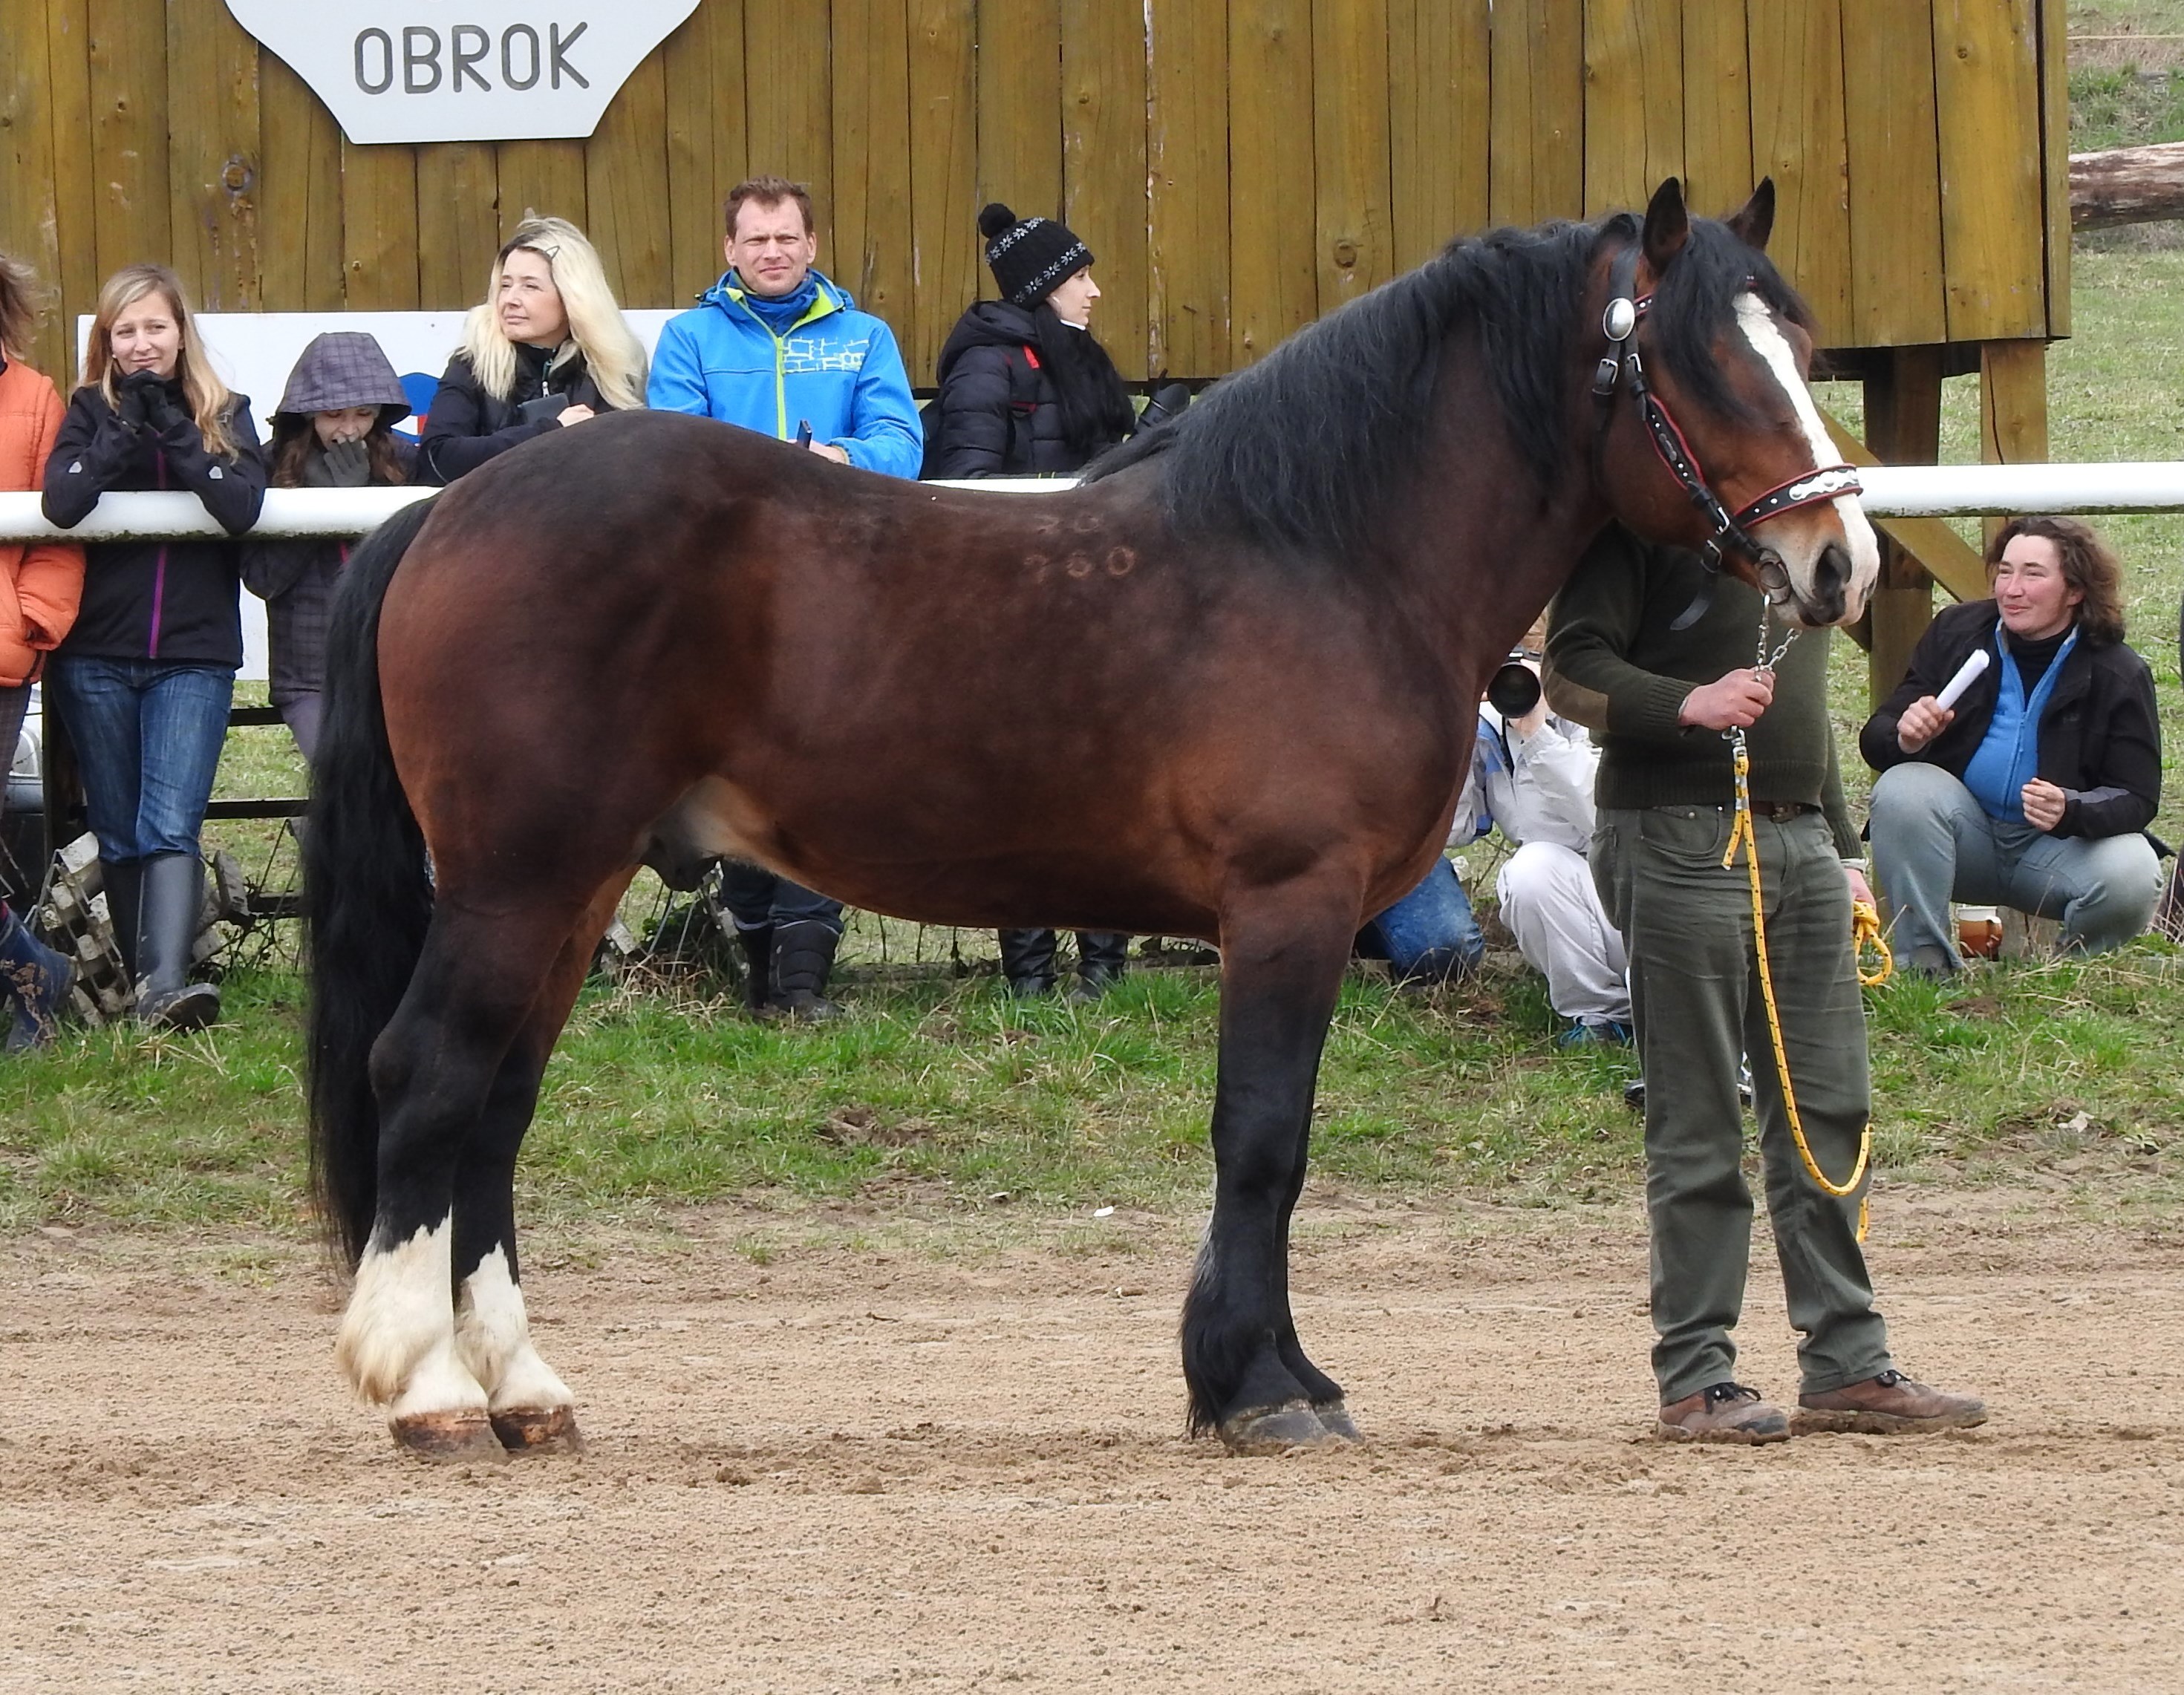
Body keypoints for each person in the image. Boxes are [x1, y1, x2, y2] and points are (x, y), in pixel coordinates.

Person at [1547, 525, 1983, 1443]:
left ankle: (1847, 1365)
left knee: (1829, 1105)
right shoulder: (1640, 531)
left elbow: (1801, 711)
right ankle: (1695, 1375)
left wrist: (1841, 845)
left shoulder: (1806, 541)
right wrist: (1685, 702)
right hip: (1672, 835)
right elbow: (1569, 670)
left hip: (1799, 842)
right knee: (1698, 1112)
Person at [648, 176, 924, 1019]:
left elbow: (901, 443)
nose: (772, 252)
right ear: (729, 250)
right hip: (724, 598)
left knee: (821, 771)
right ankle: (760, 971)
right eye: (756, 239)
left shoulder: (863, 337)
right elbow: (675, 455)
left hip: (839, 593)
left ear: (811, 246)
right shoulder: (687, 339)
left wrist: (836, 461)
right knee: (737, 768)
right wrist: (777, 476)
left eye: (787, 238)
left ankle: (802, 985)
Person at [42, 264, 267, 1031]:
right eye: (125, 331)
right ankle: (148, 990)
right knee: (118, 824)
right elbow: (64, 502)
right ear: (107, 343)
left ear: (181, 333)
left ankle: (168, 986)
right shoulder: (86, 411)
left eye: (155, 328)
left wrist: (173, 425)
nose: (141, 344)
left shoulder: (228, 412)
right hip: (94, 654)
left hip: (193, 654)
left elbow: (239, 506)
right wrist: (121, 430)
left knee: (170, 822)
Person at [930, 203, 1140, 998]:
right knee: (1023, 795)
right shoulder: (988, 366)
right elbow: (968, 490)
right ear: (1045, 285)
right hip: (1015, 613)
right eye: (1080, 276)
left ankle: (1104, 967)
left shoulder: (1077, 357)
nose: (1093, 292)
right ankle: (1029, 975)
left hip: (1090, 601)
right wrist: (1087, 496)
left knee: (1107, 786)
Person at [1862, 517, 2160, 974]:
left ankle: (2065, 978)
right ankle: (1926, 969)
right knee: (1904, 788)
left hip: (2055, 852)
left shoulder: (2117, 671)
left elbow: (2137, 798)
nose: (2012, 589)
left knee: (2134, 868)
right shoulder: (1958, 633)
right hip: (1962, 839)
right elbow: (1878, 736)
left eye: (2033, 574)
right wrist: (1904, 736)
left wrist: (2072, 807)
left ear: (2075, 591)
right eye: (2005, 571)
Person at [242, 333, 416, 761]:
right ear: (307, 413)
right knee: (342, 780)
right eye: (334, 414)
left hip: (388, 665)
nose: (351, 428)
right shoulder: (268, 463)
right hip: (307, 674)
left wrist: (364, 498)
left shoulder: (403, 460)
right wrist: (319, 507)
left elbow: (412, 569)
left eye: (365, 413)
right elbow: (263, 580)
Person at [0, 252, 85, 1048]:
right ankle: (35, 970)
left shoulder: (35, 398)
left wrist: (29, 626)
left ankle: (33, 979)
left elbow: (58, 535)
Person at [1469, 648, 1632, 1045]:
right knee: (1530, 871)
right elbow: (1458, 829)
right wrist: (1452, 737)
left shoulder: (1599, 705)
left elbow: (1600, 815)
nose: (1518, 678)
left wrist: (1539, 734)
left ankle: (1658, 1011)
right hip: (1577, 895)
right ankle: (1601, 1018)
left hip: (1637, 885)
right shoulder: (1491, 729)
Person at [419, 216, 646, 486]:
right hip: (492, 522)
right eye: (505, 285)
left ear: (573, 296)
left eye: (530, 286)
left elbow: (630, 473)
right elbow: (436, 461)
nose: (510, 299)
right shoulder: (474, 361)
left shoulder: (613, 366)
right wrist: (551, 433)